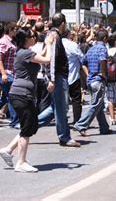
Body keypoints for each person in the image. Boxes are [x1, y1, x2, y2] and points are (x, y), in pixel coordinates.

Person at [0, 28, 53, 172]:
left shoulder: (25, 53)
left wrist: (46, 46)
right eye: (32, 36)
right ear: (25, 39)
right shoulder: (25, 53)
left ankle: (8, 150)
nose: (34, 38)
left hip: (23, 94)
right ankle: (21, 162)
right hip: (22, 94)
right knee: (27, 129)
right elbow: (46, 60)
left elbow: (40, 56)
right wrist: (49, 44)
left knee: (29, 126)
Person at [38, 13, 80, 147]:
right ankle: (64, 137)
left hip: (57, 76)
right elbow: (52, 59)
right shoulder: (54, 36)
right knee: (61, 108)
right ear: (63, 23)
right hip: (57, 76)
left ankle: (30, 125)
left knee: (55, 107)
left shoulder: (51, 34)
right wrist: (52, 79)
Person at [74, 30, 111, 136]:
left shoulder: (91, 49)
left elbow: (83, 63)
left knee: (99, 105)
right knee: (95, 104)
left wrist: (88, 74)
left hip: (90, 80)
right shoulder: (102, 48)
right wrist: (103, 74)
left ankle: (104, 127)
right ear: (104, 38)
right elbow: (103, 60)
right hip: (98, 81)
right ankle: (81, 124)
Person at [62, 28, 85, 124]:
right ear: (68, 35)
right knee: (76, 100)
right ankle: (77, 121)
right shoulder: (72, 45)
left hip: (61, 76)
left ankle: (62, 121)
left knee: (62, 101)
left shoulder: (56, 44)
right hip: (73, 76)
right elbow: (82, 58)